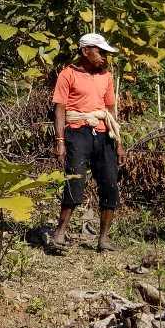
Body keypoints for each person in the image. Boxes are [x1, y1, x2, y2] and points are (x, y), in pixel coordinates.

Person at [48, 32, 124, 254]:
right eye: (100, 52)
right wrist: (60, 141)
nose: (104, 57)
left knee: (110, 183)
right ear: (85, 51)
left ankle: (103, 239)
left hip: (103, 134)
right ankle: (60, 233)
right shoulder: (68, 74)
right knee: (75, 182)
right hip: (77, 133)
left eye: (106, 53)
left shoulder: (106, 76)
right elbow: (60, 109)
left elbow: (110, 110)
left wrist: (119, 142)